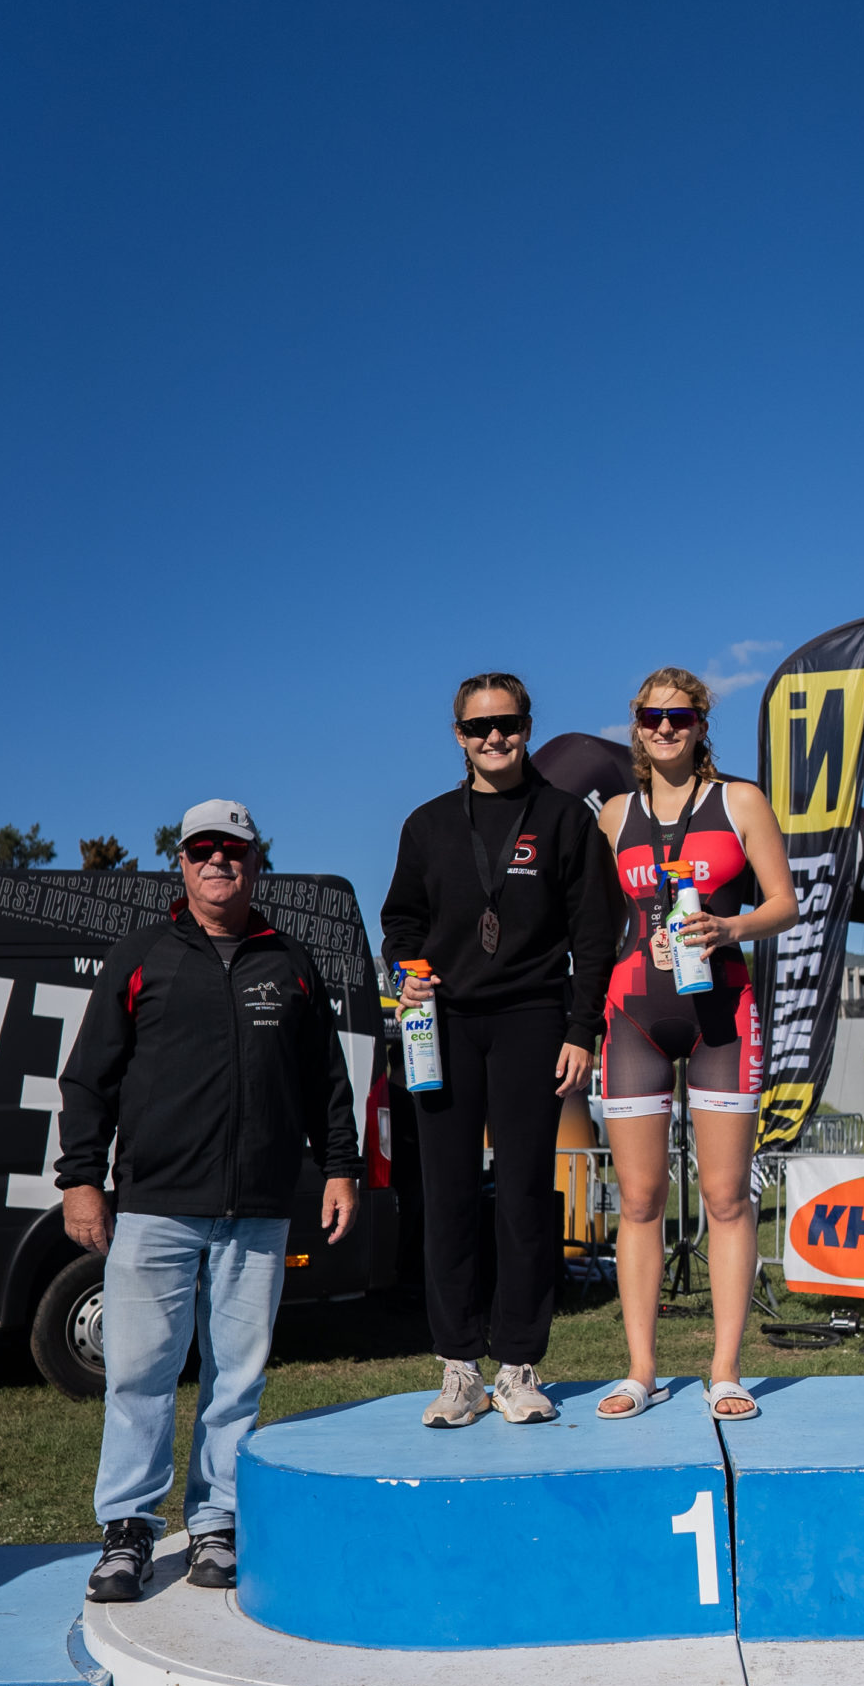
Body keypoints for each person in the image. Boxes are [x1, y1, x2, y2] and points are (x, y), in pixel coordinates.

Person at [58, 800, 360, 1603]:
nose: (217, 860)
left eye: (232, 848)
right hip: (155, 1206)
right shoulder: (141, 956)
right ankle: (128, 1531)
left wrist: (341, 1167)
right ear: (182, 865)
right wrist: (81, 1178)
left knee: (237, 1380)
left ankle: (217, 1523)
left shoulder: (290, 962)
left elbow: (326, 1081)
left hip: (258, 1207)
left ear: (256, 862)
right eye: (202, 850)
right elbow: (88, 1079)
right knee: (138, 1376)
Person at [381, 674, 618, 1427]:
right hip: (443, 1024)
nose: (494, 738)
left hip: (531, 1020)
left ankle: (518, 1366)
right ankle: (459, 1370)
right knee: (447, 1195)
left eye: (507, 724)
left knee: (522, 1196)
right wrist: (405, 974)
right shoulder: (426, 824)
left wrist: (582, 1028)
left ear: (527, 727)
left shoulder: (564, 818)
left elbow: (595, 932)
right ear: (458, 735)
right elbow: (401, 922)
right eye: (479, 727)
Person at [594, 669, 798, 1420]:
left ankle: (725, 1371)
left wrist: (730, 926)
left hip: (722, 1014)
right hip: (635, 1013)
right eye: (653, 715)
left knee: (725, 1197)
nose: (665, 728)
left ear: (702, 726)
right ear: (637, 724)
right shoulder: (615, 815)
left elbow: (785, 903)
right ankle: (640, 1371)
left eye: (680, 717)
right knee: (641, 1199)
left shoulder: (739, 801)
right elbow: (593, 919)